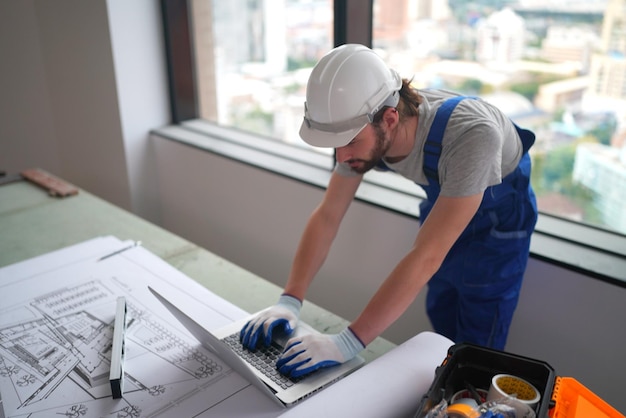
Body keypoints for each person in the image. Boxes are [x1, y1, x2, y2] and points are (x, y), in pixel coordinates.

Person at [240, 44, 538, 379]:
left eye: (350, 142)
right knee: (441, 313)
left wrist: (348, 343)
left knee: (476, 348)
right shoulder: (367, 129)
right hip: (446, 203)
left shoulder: (471, 137)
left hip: (497, 227)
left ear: (390, 119)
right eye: (336, 144)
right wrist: (290, 300)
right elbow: (328, 215)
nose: (341, 158)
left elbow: (426, 256)